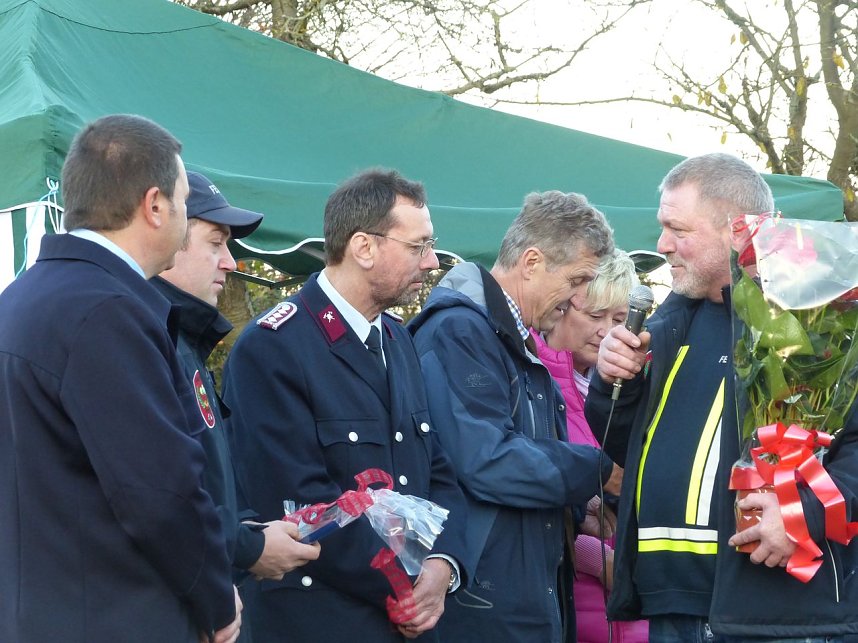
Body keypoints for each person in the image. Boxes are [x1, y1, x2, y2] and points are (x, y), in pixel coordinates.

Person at [585, 152, 858, 642]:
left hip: (776, 613)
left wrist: (804, 515)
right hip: (671, 605)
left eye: (677, 229)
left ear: (739, 230)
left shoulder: (819, 319)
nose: (662, 244)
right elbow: (626, 448)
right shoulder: (667, 323)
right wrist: (612, 384)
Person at [0, 114, 241, 643]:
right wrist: (217, 601)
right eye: (181, 201)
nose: (183, 215)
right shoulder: (108, 311)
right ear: (154, 206)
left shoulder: (21, 298)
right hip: (113, 615)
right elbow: (160, 492)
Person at [221, 168, 469, 642]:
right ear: (364, 247)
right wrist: (408, 581)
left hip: (409, 616)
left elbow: (436, 471)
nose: (432, 261)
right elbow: (299, 501)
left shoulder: (396, 339)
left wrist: (444, 563)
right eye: (418, 246)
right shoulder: (274, 347)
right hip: (323, 620)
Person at [409, 190, 624, 643]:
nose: (579, 297)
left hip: (518, 596)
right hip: (481, 602)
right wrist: (598, 472)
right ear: (531, 263)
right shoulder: (460, 332)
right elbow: (486, 459)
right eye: (577, 278)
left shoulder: (510, 339)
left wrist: (577, 508)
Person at [153, 171, 321, 640]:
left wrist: (246, 536)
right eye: (215, 242)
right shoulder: (149, 341)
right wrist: (247, 547)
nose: (230, 262)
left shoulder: (184, 339)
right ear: (167, 236)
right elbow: (156, 500)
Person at [533, 249, 648, 643]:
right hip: (571, 601)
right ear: (562, 306)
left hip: (626, 598)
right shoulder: (533, 381)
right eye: (595, 315)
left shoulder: (618, 384)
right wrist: (597, 559)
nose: (607, 331)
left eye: (619, 319)